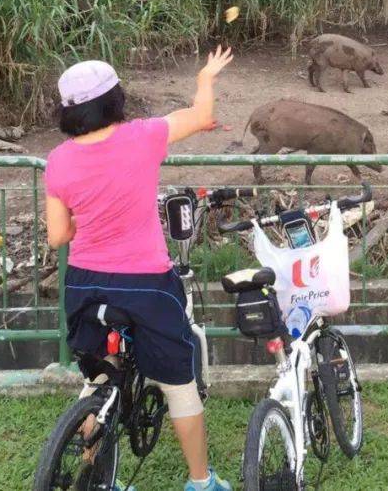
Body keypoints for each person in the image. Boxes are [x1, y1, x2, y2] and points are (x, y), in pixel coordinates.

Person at [44, 46, 235, 491]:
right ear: (115, 100)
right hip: (147, 284)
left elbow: (57, 236)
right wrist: (205, 77)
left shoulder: (58, 159)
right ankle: (201, 482)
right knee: (178, 383)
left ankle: (94, 476)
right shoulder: (143, 136)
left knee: (99, 378)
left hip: (85, 284)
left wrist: (88, 215)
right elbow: (201, 115)